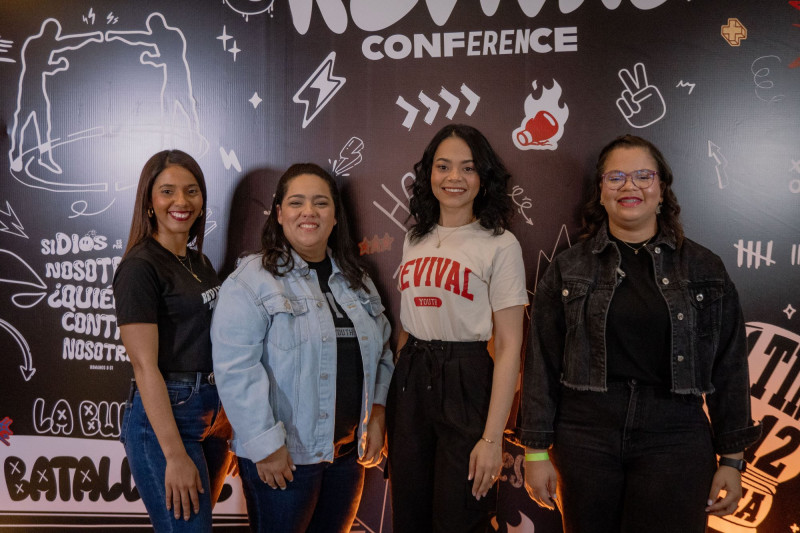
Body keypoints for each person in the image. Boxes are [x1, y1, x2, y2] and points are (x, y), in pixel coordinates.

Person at [518, 134, 761, 533]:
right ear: (600, 191)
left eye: (643, 175)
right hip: (585, 434)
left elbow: (730, 366)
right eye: (615, 177)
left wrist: (733, 460)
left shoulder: (703, 267)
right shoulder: (569, 267)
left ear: (662, 189)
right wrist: (535, 451)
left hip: (675, 434)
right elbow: (541, 362)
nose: (629, 186)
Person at [210, 163, 394, 533]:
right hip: (285, 458)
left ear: (336, 215)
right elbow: (235, 370)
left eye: (320, 203)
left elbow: (383, 350)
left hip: (345, 456)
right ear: (279, 213)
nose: (309, 212)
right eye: (296, 202)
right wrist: (265, 446)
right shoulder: (251, 281)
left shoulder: (356, 280)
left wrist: (376, 412)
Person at [387, 124, 528, 533]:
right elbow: (407, 325)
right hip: (412, 377)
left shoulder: (500, 245)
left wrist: (491, 438)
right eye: (443, 166)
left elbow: (508, 346)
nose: (454, 178)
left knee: (461, 517)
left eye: (467, 168)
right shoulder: (415, 238)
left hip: (467, 377)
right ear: (428, 173)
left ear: (483, 178)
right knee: (408, 513)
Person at [114, 149, 233, 531]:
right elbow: (144, 365)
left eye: (192, 191)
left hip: (211, 416)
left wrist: (224, 416)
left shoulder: (199, 262)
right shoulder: (140, 267)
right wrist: (174, 454)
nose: (181, 201)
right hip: (167, 417)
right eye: (167, 191)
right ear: (149, 202)